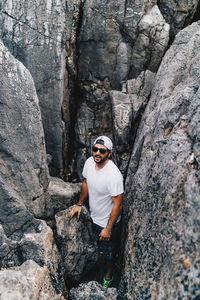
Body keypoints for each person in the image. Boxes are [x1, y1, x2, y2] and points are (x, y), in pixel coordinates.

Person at [69, 136, 124, 288]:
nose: (97, 153)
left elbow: (118, 204)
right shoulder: (89, 162)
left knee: (108, 254)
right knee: (94, 247)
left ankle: (108, 274)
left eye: (102, 150)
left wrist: (108, 228)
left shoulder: (113, 175)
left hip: (106, 222)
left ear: (109, 153)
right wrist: (79, 204)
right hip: (92, 216)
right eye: (95, 149)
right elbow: (86, 183)